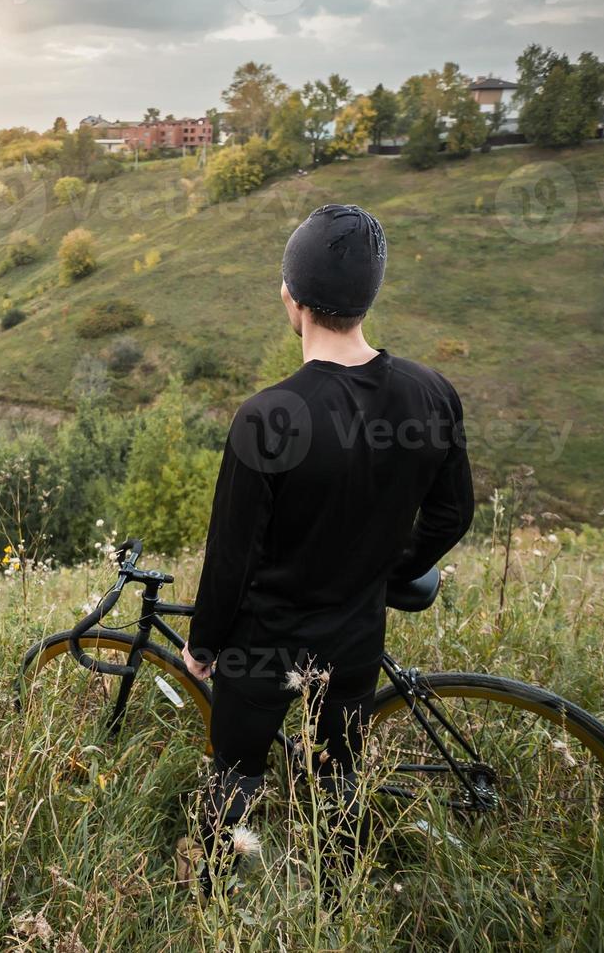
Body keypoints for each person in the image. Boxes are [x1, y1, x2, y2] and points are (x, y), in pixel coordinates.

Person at [179, 204, 474, 889]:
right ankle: (340, 899)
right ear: (369, 296)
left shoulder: (269, 415)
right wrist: (380, 571)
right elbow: (451, 515)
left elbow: (231, 556)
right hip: (353, 640)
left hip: (263, 643)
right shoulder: (431, 393)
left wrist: (201, 646)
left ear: (292, 298)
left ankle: (208, 899)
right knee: (338, 777)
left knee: (234, 772)